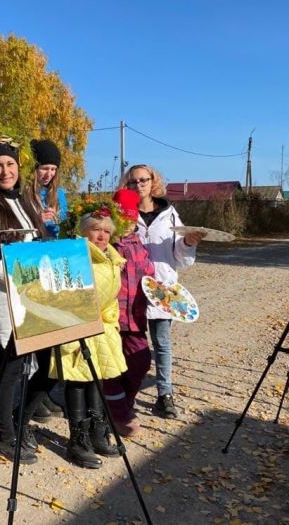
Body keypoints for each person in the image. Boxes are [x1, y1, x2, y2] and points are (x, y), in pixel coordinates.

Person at [0, 138, 52, 464]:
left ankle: (18, 416)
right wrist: (22, 274)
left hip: (38, 298)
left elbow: (41, 248)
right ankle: (5, 434)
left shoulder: (28, 202)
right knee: (12, 368)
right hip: (8, 297)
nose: (5, 171)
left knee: (46, 366)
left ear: (19, 169)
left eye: (10, 164)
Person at [119, 164, 205, 419]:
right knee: (130, 344)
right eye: (133, 181)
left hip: (161, 288)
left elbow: (178, 254)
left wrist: (188, 242)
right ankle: (126, 393)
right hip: (129, 287)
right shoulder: (123, 212)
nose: (139, 185)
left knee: (162, 343)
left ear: (152, 181)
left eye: (143, 180)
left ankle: (164, 394)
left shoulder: (169, 213)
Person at [49, 203, 128, 469]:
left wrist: (111, 324)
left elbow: (111, 298)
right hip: (78, 327)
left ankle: (97, 431)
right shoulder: (77, 257)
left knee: (97, 380)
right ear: (84, 232)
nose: (101, 235)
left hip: (101, 328)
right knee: (77, 382)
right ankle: (77, 439)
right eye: (95, 229)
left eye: (106, 230)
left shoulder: (113, 259)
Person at [103, 189, 155, 437]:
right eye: (121, 219)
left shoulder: (139, 246)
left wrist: (160, 293)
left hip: (134, 317)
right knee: (110, 365)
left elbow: (150, 276)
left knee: (140, 360)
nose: (126, 225)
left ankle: (122, 403)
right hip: (111, 318)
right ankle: (119, 413)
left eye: (131, 219)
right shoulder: (105, 245)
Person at [23, 139, 68, 422]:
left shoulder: (58, 194)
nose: (48, 173)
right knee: (31, 335)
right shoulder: (25, 194)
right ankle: (30, 396)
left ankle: (41, 392)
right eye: (43, 168)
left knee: (50, 339)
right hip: (29, 268)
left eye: (52, 168)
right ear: (34, 168)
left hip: (51, 268)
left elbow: (63, 229)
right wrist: (38, 221)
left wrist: (56, 224)